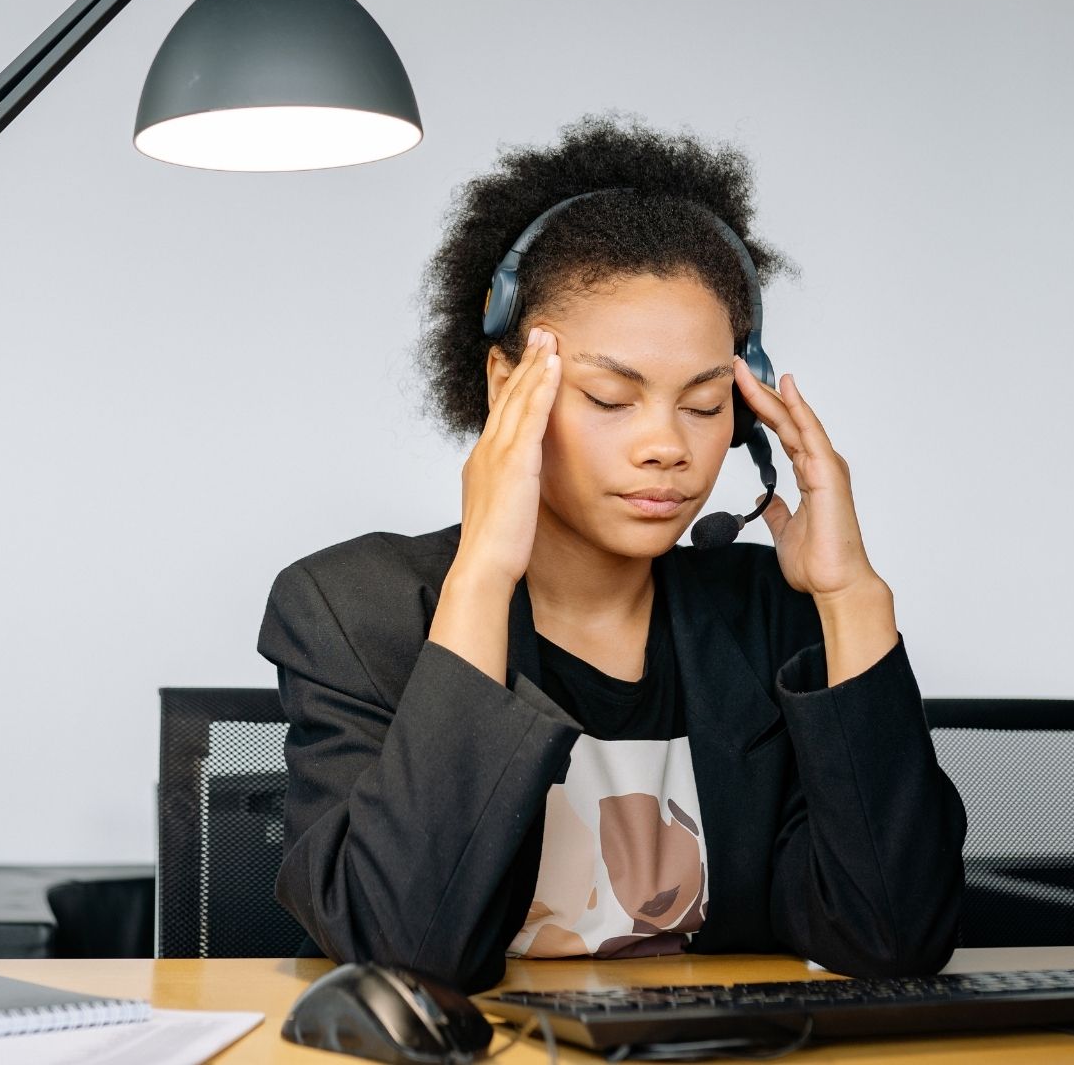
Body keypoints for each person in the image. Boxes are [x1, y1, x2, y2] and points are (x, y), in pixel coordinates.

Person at [256, 114, 966, 993]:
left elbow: (894, 937)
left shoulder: (765, 614)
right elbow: (407, 953)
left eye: (705, 406)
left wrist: (852, 595)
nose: (667, 446)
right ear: (507, 387)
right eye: (609, 398)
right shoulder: (355, 608)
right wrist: (483, 573)